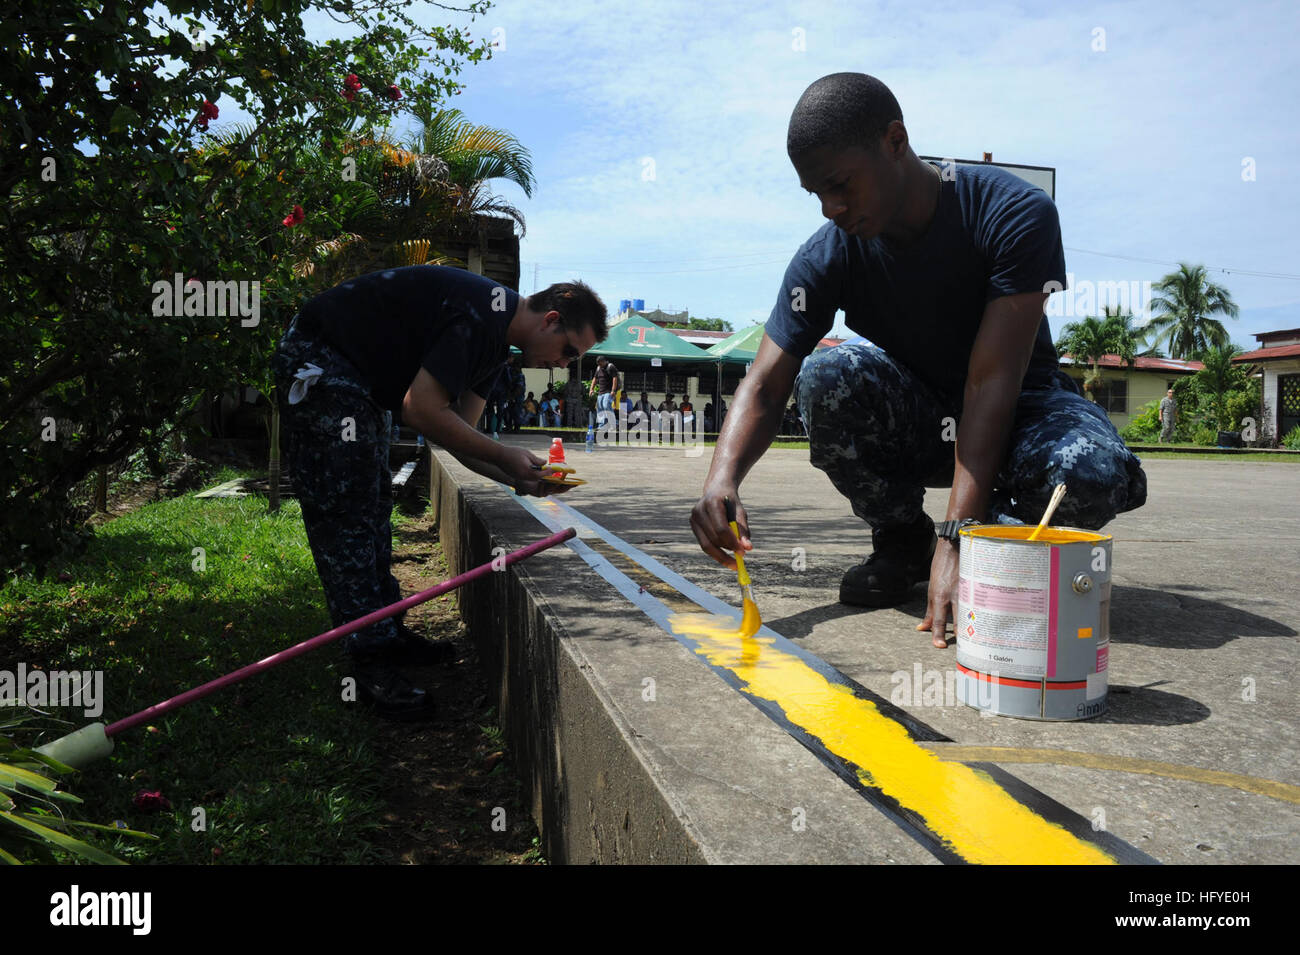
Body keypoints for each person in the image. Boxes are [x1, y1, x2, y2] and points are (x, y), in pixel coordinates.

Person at [689, 72, 1146, 651]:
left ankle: (987, 548)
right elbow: (764, 384)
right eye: (816, 194)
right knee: (827, 377)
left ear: (895, 141)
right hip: (926, 417)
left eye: (840, 184)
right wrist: (720, 479)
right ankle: (905, 540)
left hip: (1023, 408)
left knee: (1088, 472)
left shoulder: (1011, 211)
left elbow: (992, 382)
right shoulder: (827, 257)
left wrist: (961, 540)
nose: (831, 207)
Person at [273, 266, 606, 718]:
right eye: (568, 351)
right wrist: (505, 455)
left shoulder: (499, 343)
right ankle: (369, 666)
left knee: (374, 507)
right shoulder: (480, 316)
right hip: (321, 362)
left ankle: (385, 631)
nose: (564, 365)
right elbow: (421, 410)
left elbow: (457, 435)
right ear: (549, 319)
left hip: (358, 382)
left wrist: (518, 478)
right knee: (347, 512)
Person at [590, 356, 620, 429]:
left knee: (606, 405)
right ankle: (602, 425)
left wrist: (613, 390)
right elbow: (595, 378)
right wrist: (591, 389)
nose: (600, 365)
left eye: (600, 364)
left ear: (604, 361)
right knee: (599, 407)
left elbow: (615, 378)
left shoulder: (610, 366)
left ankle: (613, 423)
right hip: (601, 391)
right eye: (598, 364)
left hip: (609, 391)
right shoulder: (598, 368)